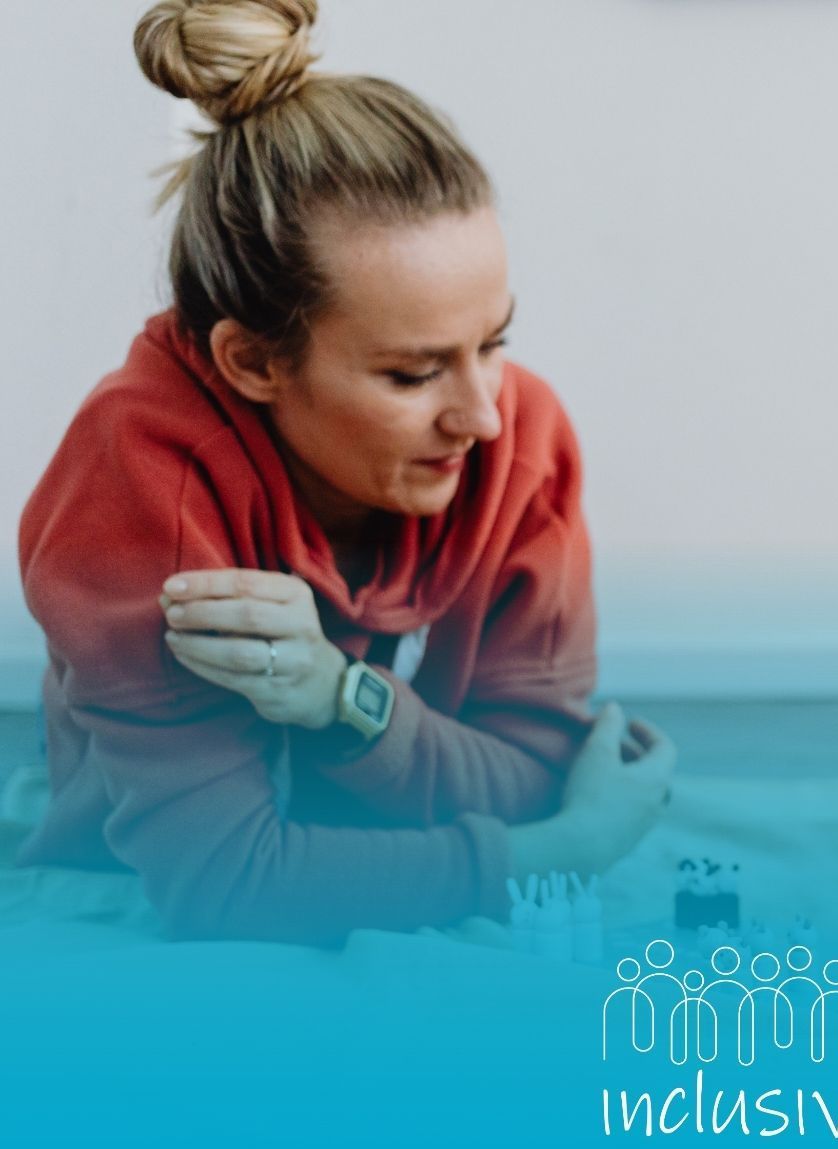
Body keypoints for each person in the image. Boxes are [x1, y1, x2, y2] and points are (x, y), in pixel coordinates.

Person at [16, 0, 674, 945]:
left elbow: (533, 768)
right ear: (252, 363)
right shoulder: (135, 489)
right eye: (411, 373)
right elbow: (229, 884)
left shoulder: (521, 439)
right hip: (137, 907)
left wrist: (343, 699)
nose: (483, 415)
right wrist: (567, 851)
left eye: (493, 342)